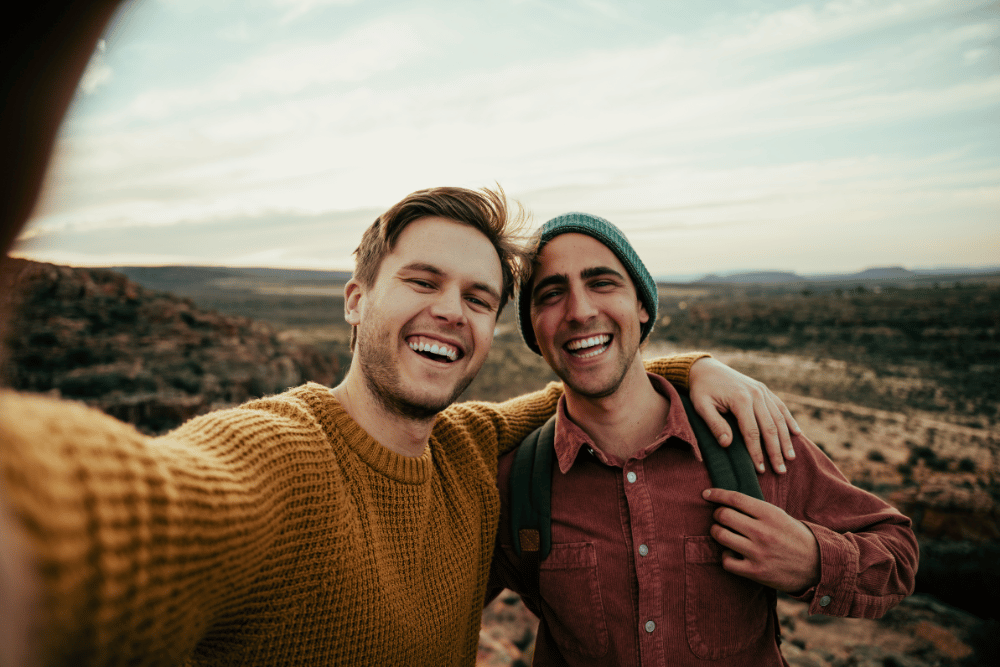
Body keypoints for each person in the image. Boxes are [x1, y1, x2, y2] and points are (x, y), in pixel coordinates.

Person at [0, 6, 801, 665]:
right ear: (356, 298)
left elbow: (583, 379)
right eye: (422, 281)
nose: (451, 309)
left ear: (492, 326)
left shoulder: (465, 451)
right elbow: (137, 515)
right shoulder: (282, 455)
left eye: (478, 296)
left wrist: (690, 366)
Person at [489, 213, 920, 666]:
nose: (579, 311)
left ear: (642, 305)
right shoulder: (515, 481)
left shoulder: (747, 440)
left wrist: (814, 561)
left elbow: (898, 551)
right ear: (534, 330)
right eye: (551, 294)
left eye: (602, 283)